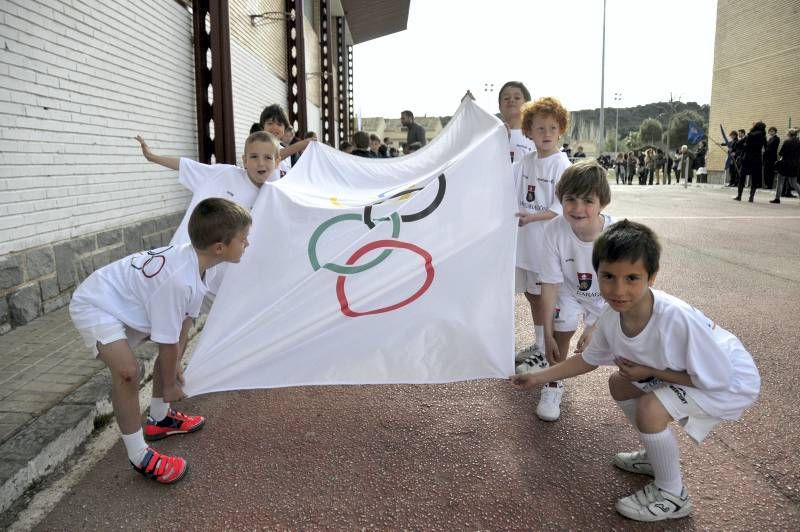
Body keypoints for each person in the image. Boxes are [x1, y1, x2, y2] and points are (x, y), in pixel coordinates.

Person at [510, 220, 760, 522]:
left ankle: (673, 495)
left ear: (651, 277)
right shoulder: (612, 315)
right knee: (619, 383)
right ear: (596, 272)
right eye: (608, 276)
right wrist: (537, 377)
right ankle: (656, 458)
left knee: (649, 408)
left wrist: (652, 371)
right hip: (694, 372)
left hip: (730, 381)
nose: (618, 289)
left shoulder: (675, 319)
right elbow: (587, 361)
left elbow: (717, 378)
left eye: (632, 278)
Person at [69, 198, 253, 484]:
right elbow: (165, 343)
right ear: (220, 248)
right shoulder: (179, 280)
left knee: (169, 356)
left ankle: (159, 419)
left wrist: (176, 364)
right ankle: (139, 455)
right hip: (96, 302)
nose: (247, 245)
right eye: (244, 239)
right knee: (128, 372)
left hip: (124, 301)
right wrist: (169, 384)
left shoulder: (205, 266)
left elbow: (184, 323)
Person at [135, 131, 279, 299]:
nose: (260, 163)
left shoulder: (275, 196)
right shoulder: (223, 174)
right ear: (244, 160)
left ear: (277, 161)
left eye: (268, 157)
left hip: (222, 283)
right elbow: (185, 165)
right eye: (254, 157)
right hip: (185, 264)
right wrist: (152, 157)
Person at [533, 159, 613, 421]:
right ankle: (553, 382)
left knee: (627, 340)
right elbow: (549, 284)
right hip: (569, 291)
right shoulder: (554, 230)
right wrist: (546, 335)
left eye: (588, 201)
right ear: (561, 199)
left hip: (610, 298)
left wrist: (596, 326)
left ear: (602, 202)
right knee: (560, 332)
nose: (578, 209)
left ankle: (638, 387)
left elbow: (630, 291)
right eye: (571, 199)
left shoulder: (616, 235)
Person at [512, 96, 571, 372]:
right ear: (529, 132)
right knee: (531, 295)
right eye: (540, 129)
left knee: (547, 299)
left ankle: (547, 352)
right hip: (525, 244)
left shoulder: (562, 165)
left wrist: (532, 217)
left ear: (561, 130)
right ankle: (538, 344)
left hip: (546, 247)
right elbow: (505, 184)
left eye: (552, 128)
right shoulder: (525, 162)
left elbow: (560, 208)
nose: (546, 134)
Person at [258, 104, 314, 179]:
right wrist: (303, 144)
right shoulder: (255, 147)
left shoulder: (293, 155)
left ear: (284, 130)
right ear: (262, 127)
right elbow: (274, 156)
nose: (274, 127)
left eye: (279, 124)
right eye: (270, 123)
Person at [498, 81, 535, 163]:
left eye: (517, 98)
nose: (511, 100)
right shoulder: (491, 134)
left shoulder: (535, 136)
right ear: (499, 106)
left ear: (527, 105)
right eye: (506, 98)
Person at [735, 121, 766, 202]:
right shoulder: (763, 136)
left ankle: (739, 196)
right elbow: (764, 148)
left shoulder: (750, 135)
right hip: (757, 160)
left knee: (742, 177)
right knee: (754, 179)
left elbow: (739, 144)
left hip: (747, 159)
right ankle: (751, 197)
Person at [770, 128, 800, 204]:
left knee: (780, 181)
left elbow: (781, 153)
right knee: (794, 183)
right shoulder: (799, 142)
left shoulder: (787, 142)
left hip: (785, 164)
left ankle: (777, 199)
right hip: (795, 164)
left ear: (789, 134)